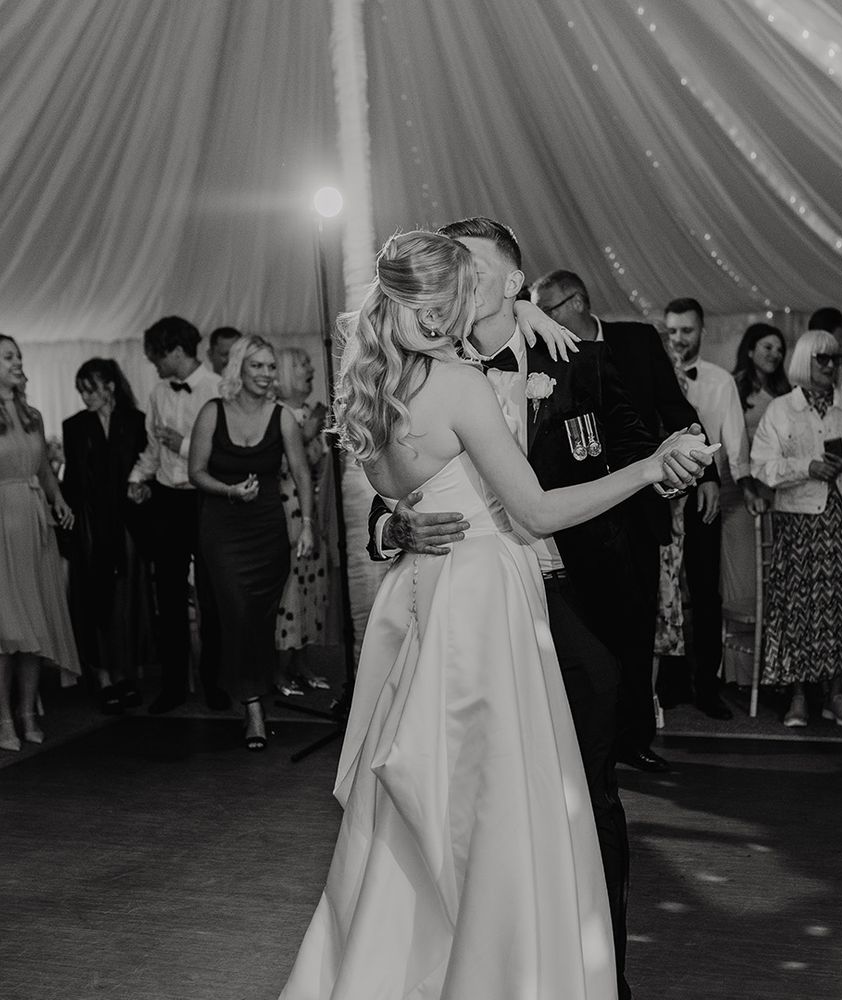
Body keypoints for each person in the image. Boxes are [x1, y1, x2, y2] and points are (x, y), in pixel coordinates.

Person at [279, 230, 708, 1000]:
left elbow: (401, 475)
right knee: (506, 796)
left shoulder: (394, 376)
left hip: (520, 600)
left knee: (517, 793)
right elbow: (508, 509)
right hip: (482, 601)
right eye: (441, 293)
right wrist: (648, 470)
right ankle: (515, 965)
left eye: (469, 280)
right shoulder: (453, 379)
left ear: (513, 279)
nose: (450, 310)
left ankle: (558, 960)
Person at [530, 270, 708, 752]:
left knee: (638, 624)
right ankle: (599, 741)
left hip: (641, 505)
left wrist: (703, 472)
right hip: (582, 512)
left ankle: (637, 741)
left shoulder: (636, 339)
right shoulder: (543, 355)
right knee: (595, 632)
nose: (540, 318)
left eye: (548, 308)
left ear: (578, 302)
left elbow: (673, 406)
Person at [189, 336, 315, 751]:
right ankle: (254, 707)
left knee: (260, 621)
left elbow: (301, 472)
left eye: (269, 367)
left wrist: (309, 525)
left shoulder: (282, 418)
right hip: (222, 531)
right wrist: (229, 490)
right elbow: (196, 472)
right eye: (256, 366)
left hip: (267, 531)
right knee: (237, 613)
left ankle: (253, 692)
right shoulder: (213, 412)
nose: (265, 375)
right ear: (238, 369)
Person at [751, 329, 842, 727]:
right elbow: (761, 467)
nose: (831, 365)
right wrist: (807, 467)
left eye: (836, 358)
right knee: (798, 609)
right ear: (804, 359)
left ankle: (835, 696)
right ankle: (799, 697)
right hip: (798, 523)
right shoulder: (782, 409)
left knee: (841, 609)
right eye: (822, 358)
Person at [660, 298, 768, 718]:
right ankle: (669, 682)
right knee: (666, 594)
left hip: (705, 497)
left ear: (702, 331)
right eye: (672, 331)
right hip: (659, 498)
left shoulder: (721, 381)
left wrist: (740, 485)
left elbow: (735, 445)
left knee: (705, 592)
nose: (679, 339)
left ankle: (706, 684)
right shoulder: (654, 375)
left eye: (686, 330)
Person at [128, 316, 227, 714]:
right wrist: (137, 478)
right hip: (168, 500)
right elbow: (153, 449)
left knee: (211, 596)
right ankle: (172, 685)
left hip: (206, 500)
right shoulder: (156, 393)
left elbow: (224, 451)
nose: (154, 364)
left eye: (156, 356)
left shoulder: (218, 389)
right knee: (167, 596)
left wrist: (184, 444)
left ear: (175, 351)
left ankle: (215, 683)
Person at [0, 335, 81, 752]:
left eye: (18, 356)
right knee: (6, 630)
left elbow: (45, 472)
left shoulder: (32, 415)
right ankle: (2, 718)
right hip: (1, 524)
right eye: (8, 356)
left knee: (34, 624)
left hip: (35, 523)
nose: (18, 362)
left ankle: (28, 710)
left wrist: (59, 500)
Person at [62, 358, 151, 714]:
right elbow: (72, 481)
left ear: (110, 386)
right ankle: (101, 676)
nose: (85, 396)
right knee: (94, 598)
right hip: (91, 523)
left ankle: (126, 672)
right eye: (81, 390)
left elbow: (145, 469)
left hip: (127, 522)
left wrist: (143, 491)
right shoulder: (74, 426)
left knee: (127, 599)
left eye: (90, 388)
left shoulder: (135, 421)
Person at [720, 323, 791, 684]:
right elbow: (731, 446)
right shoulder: (733, 388)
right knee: (745, 583)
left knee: (771, 581)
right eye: (767, 347)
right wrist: (745, 486)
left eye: (779, 349)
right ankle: (740, 675)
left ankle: (771, 671)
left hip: (776, 494)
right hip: (740, 492)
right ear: (750, 349)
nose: (774, 355)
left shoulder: (786, 393)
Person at [273, 347, 331, 694]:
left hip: (313, 510)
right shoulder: (276, 415)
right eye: (302, 366)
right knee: (288, 592)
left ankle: (302, 662)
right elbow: (277, 468)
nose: (310, 370)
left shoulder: (311, 411)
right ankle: (279, 669)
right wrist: (306, 436)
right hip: (286, 511)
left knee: (312, 589)